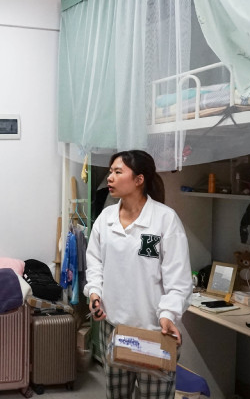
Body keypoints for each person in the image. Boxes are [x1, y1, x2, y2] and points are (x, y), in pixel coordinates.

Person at [84, 150, 192, 399]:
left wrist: (169, 314)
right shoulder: (106, 219)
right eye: (110, 171)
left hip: (154, 331)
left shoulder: (164, 220)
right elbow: (95, 263)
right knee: (117, 395)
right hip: (114, 328)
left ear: (139, 179)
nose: (110, 177)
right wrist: (95, 294)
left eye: (118, 172)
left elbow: (179, 280)